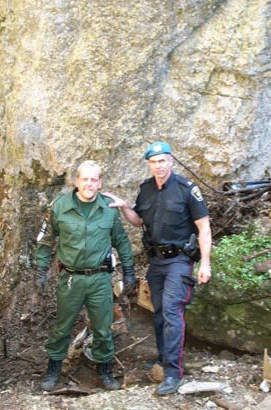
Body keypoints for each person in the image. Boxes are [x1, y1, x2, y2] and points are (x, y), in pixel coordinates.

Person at [104, 141, 212, 395]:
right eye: (153, 162)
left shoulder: (187, 189)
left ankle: (173, 373)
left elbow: (204, 227)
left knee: (173, 312)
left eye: (162, 161)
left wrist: (204, 263)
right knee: (160, 312)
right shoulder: (146, 190)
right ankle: (164, 361)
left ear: (171, 161)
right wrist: (125, 207)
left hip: (179, 261)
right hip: (156, 262)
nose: (158, 166)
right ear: (149, 164)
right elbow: (138, 221)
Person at [34, 160, 136, 392]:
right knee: (62, 326)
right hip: (71, 279)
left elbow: (121, 240)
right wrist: (40, 270)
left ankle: (104, 371)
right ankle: (53, 369)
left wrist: (129, 271)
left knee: (103, 327)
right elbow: (46, 240)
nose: (89, 184)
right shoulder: (60, 206)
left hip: (100, 278)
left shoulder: (108, 208)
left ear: (100, 183)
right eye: (84, 179)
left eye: (94, 179)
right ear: (76, 182)